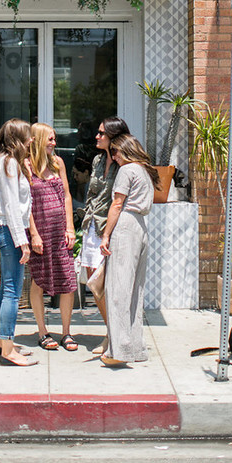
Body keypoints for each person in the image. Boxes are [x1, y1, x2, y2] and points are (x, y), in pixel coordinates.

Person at [99, 133, 159, 366]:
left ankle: (119, 350)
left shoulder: (127, 171)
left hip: (126, 225)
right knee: (135, 290)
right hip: (142, 226)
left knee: (118, 290)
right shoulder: (145, 170)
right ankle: (134, 346)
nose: (113, 157)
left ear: (124, 150)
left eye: (115, 152)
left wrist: (106, 234)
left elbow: (117, 204)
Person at [0, 118, 37, 367]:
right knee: (12, 290)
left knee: (7, 286)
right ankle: (8, 349)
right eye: (28, 135)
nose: (31, 140)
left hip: (3, 229)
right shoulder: (9, 163)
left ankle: (1, 341)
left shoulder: (5, 161)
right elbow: (11, 206)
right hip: (8, 230)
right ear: (18, 139)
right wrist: (23, 241)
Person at [80, 115, 130, 354]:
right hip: (92, 227)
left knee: (112, 285)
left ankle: (116, 336)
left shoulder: (125, 165)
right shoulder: (98, 160)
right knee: (95, 284)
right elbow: (92, 194)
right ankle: (111, 332)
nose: (97, 137)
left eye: (102, 133)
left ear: (114, 137)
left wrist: (110, 231)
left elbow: (121, 202)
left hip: (112, 231)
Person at [27, 123, 78, 351]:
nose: (54, 143)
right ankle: (43, 331)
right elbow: (24, 204)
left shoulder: (58, 163)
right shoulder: (26, 166)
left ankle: (66, 333)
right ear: (38, 140)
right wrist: (34, 234)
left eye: (54, 138)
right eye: (50, 139)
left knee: (68, 282)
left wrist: (70, 228)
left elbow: (67, 195)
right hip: (40, 232)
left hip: (60, 231)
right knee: (39, 281)